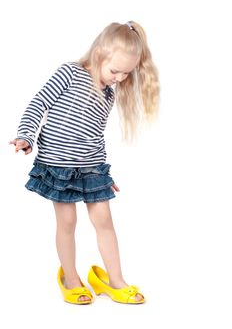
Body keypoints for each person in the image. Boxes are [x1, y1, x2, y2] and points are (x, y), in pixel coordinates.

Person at [10, 21, 160, 305]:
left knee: (104, 220)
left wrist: (105, 173)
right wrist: (26, 136)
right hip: (59, 166)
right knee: (67, 221)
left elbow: (95, 135)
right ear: (99, 53)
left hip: (92, 167)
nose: (118, 78)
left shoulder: (108, 94)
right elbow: (38, 103)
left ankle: (114, 280)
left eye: (125, 74)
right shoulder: (69, 72)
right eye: (115, 70)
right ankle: (70, 278)